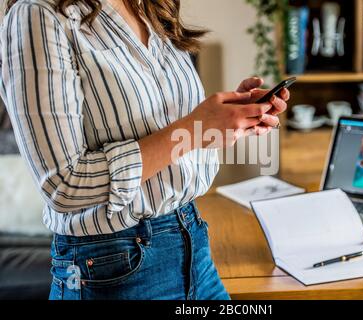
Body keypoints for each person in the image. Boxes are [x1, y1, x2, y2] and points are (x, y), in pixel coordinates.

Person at [0, 0, 289, 300]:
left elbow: (167, 132)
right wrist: (195, 128)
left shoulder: (150, 7)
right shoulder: (37, 15)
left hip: (194, 245)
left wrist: (222, 121)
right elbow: (63, 184)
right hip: (113, 269)